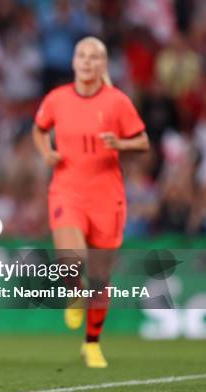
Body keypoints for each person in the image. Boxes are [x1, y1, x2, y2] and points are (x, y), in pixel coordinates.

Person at [32, 37, 149, 368]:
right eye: (82, 55)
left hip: (107, 196)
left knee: (99, 275)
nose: (87, 61)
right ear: (73, 62)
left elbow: (143, 141)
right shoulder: (57, 99)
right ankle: (73, 292)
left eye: (94, 56)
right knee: (72, 257)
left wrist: (122, 143)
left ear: (103, 64)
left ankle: (92, 343)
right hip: (67, 189)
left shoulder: (117, 102)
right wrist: (46, 153)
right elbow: (39, 130)